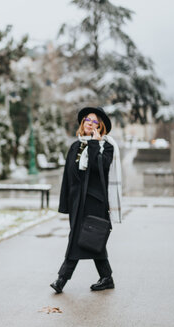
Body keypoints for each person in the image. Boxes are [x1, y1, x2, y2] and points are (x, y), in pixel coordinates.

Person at [50, 106, 122, 294]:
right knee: (93, 240)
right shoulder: (75, 146)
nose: (90, 124)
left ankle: (61, 279)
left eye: (94, 121)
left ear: (101, 126)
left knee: (78, 239)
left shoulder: (107, 146)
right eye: (87, 121)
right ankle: (106, 277)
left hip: (94, 202)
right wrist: (65, 204)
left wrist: (95, 144)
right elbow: (68, 177)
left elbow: (100, 168)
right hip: (77, 203)